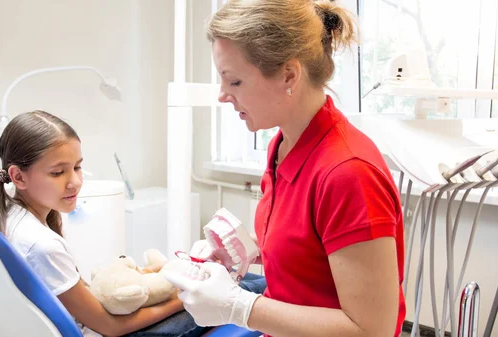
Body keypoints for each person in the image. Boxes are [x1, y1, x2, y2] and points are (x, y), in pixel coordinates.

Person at [164, 1, 406, 337]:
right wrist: (243, 251)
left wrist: (239, 306)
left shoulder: (348, 173)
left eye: (233, 82)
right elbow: (310, 256)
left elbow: (371, 330)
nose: (222, 95)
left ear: (289, 75)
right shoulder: (283, 145)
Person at [0, 110, 266, 337]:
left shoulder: (6, 215)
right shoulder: (41, 244)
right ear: (18, 177)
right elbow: (111, 327)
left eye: (77, 167)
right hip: (106, 332)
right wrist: (186, 298)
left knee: (240, 279)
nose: (75, 181)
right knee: (252, 286)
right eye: (58, 172)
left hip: (92, 322)